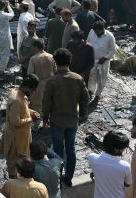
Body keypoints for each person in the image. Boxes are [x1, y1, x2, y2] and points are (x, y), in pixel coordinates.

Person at [42, 49, 89, 187]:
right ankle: (68, 178)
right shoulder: (78, 79)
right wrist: (82, 114)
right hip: (72, 121)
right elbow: (85, 98)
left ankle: (57, 180)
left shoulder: (52, 81)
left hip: (57, 121)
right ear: (70, 61)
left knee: (57, 151)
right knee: (71, 149)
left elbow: (46, 103)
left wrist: (45, 118)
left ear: (56, 63)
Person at [0, 74, 40, 178]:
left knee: (22, 161)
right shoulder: (17, 100)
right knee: (13, 163)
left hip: (21, 137)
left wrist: (31, 112)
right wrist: (31, 119)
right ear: (27, 87)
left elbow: (23, 110)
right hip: (15, 138)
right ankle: (13, 183)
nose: (33, 92)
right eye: (33, 90)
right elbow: (15, 121)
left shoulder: (18, 93)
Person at [87, 130, 132, 198]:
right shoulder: (125, 166)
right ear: (116, 149)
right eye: (123, 148)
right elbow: (128, 184)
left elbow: (99, 168)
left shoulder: (92, 158)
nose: (123, 150)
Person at [87, 21, 117, 102]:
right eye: (95, 32)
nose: (96, 34)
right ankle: (90, 91)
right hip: (92, 60)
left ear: (102, 29)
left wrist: (105, 58)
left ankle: (98, 95)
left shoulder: (110, 36)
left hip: (103, 62)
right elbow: (88, 43)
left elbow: (113, 50)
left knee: (101, 79)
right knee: (91, 77)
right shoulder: (92, 32)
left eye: (98, 32)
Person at [27, 41, 55, 114]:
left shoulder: (34, 58)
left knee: (37, 106)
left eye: (33, 47)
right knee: (49, 103)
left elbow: (30, 74)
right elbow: (56, 71)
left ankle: (38, 120)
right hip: (50, 83)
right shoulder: (51, 56)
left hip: (38, 84)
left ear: (36, 47)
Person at [0, 0, 14, 72]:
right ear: (4, 7)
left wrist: (1, 4)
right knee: (5, 53)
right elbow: (12, 14)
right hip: (5, 37)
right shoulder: (6, 15)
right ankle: (2, 69)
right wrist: (8, 6)